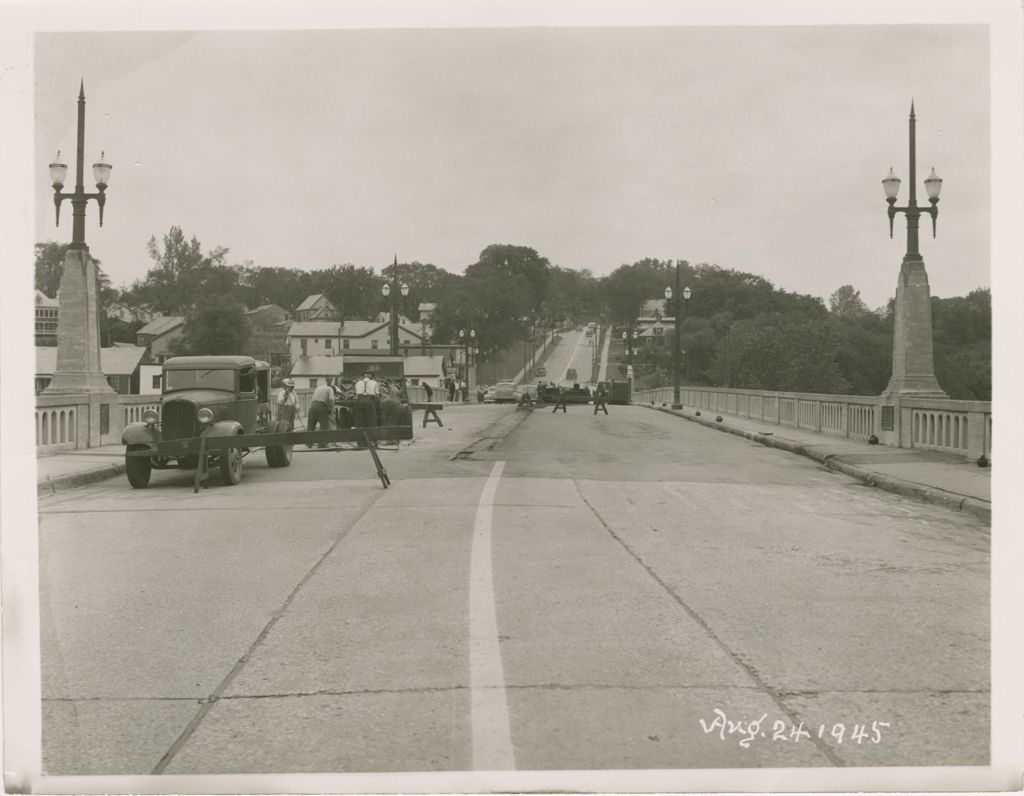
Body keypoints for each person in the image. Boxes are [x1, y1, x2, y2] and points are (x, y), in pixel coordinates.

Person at [353, 369, 380, 447]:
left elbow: (356, 394)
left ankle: (361, 443)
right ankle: (374, 443)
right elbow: (377, 395)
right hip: (369, 401)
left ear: (364, 376)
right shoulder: (374, 383)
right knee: (372, 422)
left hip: (359, 402)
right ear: (370, 376)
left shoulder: (357, 383)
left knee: (359, 422)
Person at [308, 380, 335, 448]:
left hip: (312, 406)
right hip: (321, 406)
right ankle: (322, 443)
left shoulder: (318, 388)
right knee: (324, 426)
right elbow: (331, 400)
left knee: (311, 425)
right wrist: (330, 410)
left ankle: (308, 443)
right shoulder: (330, 389)